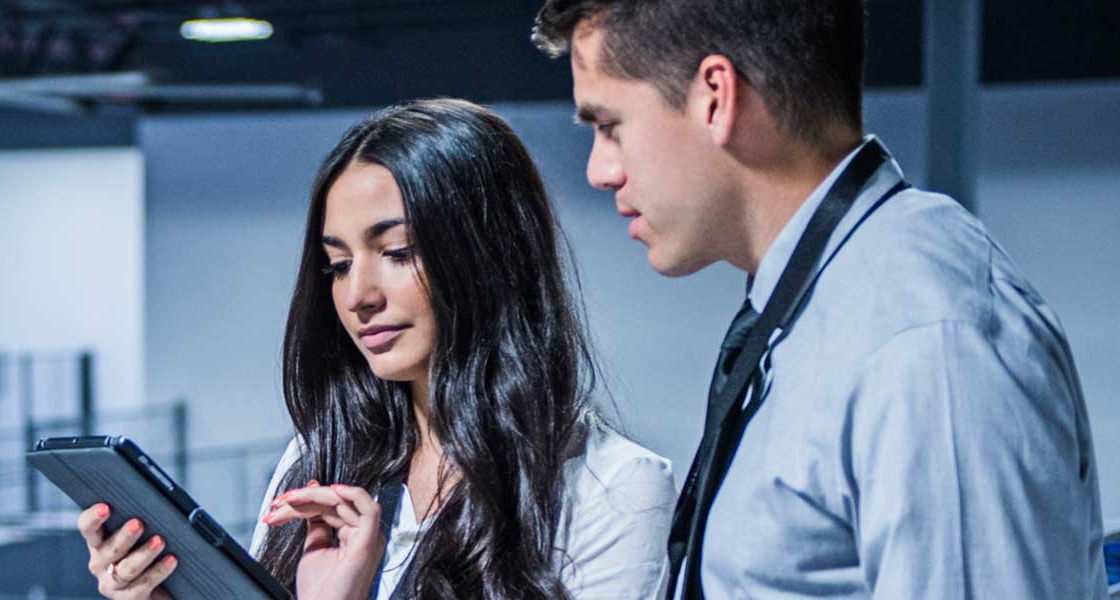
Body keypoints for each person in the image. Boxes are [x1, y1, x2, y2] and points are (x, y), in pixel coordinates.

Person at [529, 1, 1104, 598]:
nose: (600, 170)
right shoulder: (821, 307)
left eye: (609, 126)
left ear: (715, 97)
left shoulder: (924, 339)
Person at [73, 98, 675, 600]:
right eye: (337, 265)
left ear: (492, 254)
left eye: (397, 252)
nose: (357, 295)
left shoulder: (611, 489)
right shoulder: (317, 460)